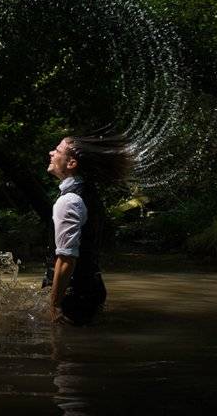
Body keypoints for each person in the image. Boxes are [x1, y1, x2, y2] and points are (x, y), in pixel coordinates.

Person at [44, 133, 134, 325]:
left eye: (58, 151)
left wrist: (54, 305)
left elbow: (67, 258)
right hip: (92, 289)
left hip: (74, 297)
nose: (51, 152)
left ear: (71, 163)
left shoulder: (69, 200)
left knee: (61, 350)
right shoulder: (88, 192)